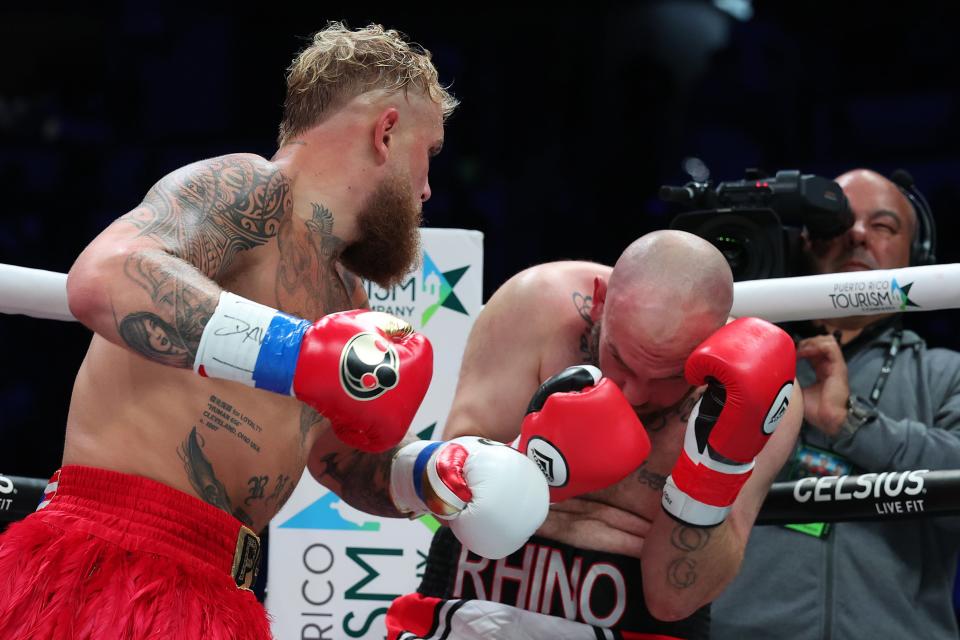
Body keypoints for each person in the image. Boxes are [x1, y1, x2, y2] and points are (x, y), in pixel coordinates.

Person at [0, 22, 451, 640]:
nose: (428, 188)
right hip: (113, 560)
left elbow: (338, 460)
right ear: (387, 132)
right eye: (431, 153)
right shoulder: (251, 191)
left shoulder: (347, 300)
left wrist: (443, 472)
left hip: (223, 591)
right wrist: (294, 353)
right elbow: (103, 274)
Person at [382, 230, 804, 640]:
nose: (635, 393)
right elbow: (443, 504)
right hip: (472, 600)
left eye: (670, 375)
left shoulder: (759, 397)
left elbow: (675, 599)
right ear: (600, 302)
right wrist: (529, 460)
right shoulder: (538, 306)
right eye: (621, 358)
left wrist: (711, 471)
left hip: (636, 621)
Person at [711, 169, 960, 639]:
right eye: (837, 221)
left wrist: (852, 425)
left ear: (917, 256)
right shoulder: (731, 356)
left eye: (883, 226)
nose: (858, 233)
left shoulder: (946, 374)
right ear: (803, 242)